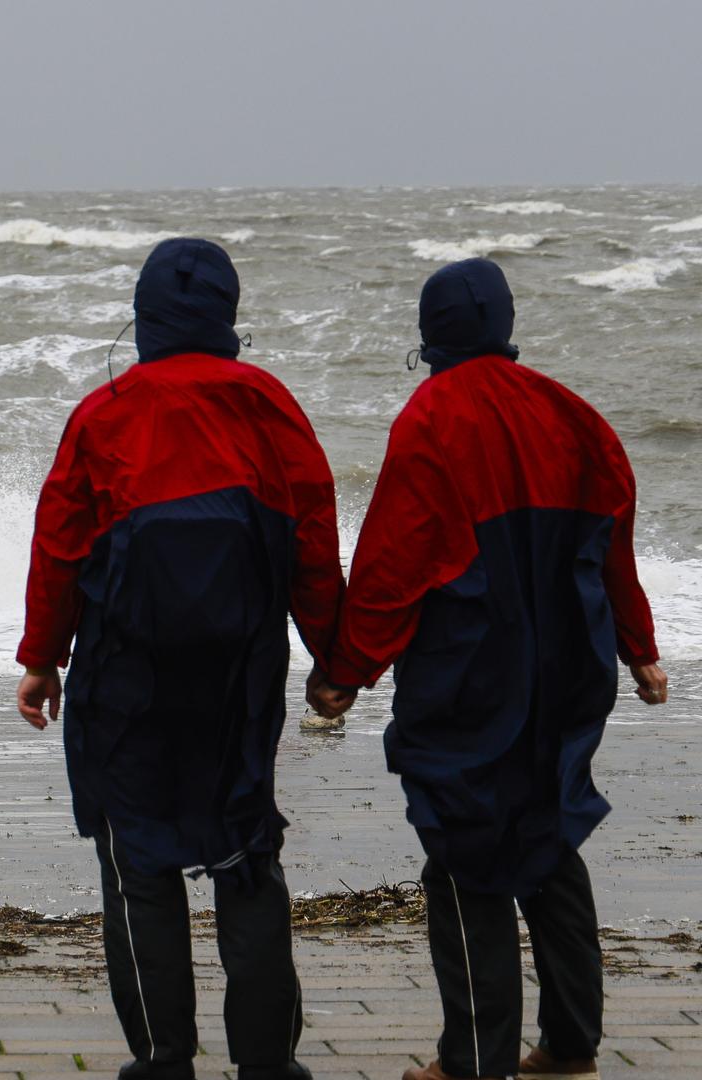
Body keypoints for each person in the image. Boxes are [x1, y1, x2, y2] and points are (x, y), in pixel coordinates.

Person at [310, 258, 667, 1080]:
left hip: (471, 670)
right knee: (549, 831)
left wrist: (347, 672)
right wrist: (638, 647)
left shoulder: (430, 418)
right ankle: (573, 1046)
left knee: (466, 848)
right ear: (506, 327)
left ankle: (473, 1061)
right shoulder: (574, 414)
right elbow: (614, 543)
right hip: (572, 666)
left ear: (430, 337)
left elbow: (396, 564)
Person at [17, 237, 343, 1080]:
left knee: (137, 860)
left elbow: (58, 545)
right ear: (226, 313)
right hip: (240, 668)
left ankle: (163, 1060)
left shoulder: (103, 410)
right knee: (246, 847)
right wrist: (332, 656)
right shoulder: (269, 401)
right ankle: (268, 1063)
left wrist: (42, 658)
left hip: (127, 670)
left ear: (144, 316)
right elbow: (311, 535)